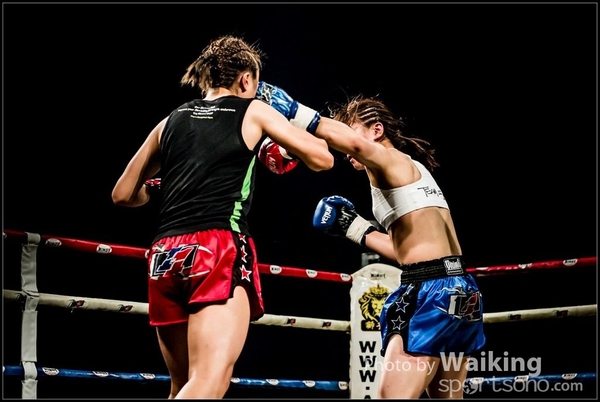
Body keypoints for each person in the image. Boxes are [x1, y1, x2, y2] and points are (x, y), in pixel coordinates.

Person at [111, 35, 334, 399]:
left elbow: (122, 194)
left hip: (164, 256)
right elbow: (323, 158)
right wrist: (291, 115)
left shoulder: (170, 120)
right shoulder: (254, 110)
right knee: (209, 382)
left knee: (183, 385)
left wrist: (155, 189)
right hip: (216, 247)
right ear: (246, 79)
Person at [257, 85, 485, 398]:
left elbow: (356, 145)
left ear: (376, 131)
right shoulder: (410, 170)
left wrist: (294, 111)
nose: (345, 147)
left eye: (350, 131)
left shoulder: (388, 160)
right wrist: (354, 228)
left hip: (430, 291)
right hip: (460, 289)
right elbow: (406, 252)